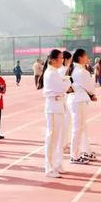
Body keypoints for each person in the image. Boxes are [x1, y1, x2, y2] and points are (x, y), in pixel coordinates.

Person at [38, 49, 72, 178]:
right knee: (52, 138)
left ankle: (57, 164)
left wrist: (67, 80)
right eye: (60, 58)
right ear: (52, 60)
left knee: (58, 139)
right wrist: (69, 79)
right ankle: (49, 167)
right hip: (53, 107)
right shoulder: (51, 73)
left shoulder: (55, 72)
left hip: (58, 106)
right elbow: (63, 87)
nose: (62, 60)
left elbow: (64, 85)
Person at [67, 48, 97, 165]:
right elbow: (90, 87)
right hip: (79, 101)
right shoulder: (82, 72)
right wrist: (92, 94)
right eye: (86, 56)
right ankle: (74, 155)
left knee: (82, 127)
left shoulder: (73, 69)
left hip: (74, 100)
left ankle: (86, 151)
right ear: (80, 57)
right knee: (78, 128)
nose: (87, 58)